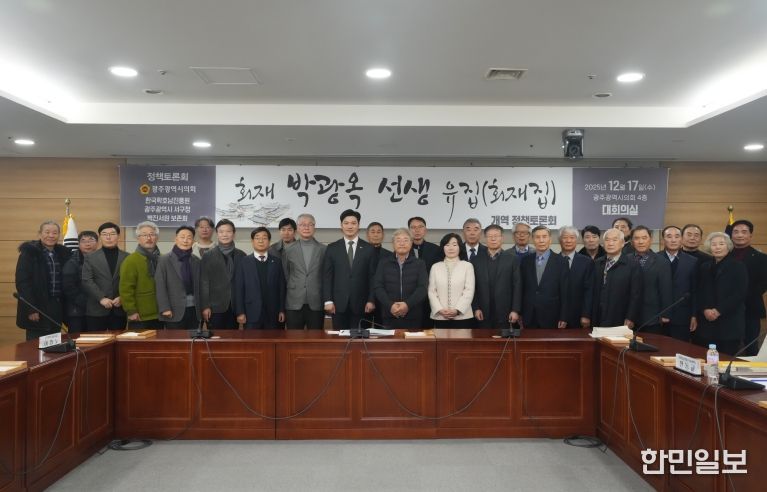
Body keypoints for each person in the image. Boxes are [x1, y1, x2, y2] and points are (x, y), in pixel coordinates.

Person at [15, 220, 72, 340]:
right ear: (40, 234)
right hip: (37, 305)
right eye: (47, 232)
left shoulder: (64, 253)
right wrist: (31, 309)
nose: (51, 235)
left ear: (59, 235)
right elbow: (23, 283)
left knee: (54, 342)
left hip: (57, 305)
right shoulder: (29, 253)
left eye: (55, 233)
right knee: (35, 345)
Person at [322, 209, 377, 331]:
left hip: (362, 305)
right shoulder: (332, 248)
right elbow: (327, 277)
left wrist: (371, 300)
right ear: (341, 225)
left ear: (358, 225)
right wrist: (328, 301)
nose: (350, 226)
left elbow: (373, 277)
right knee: (339, 339)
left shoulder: (369, 249)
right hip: (338, 305)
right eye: (346, 223)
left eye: (353, 223)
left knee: (360, 339)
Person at [695, 232, 747, 355]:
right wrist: (705, 309)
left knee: (725, 358)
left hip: (729, 322)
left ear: (728, 246)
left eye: (721, 244)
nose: (717, 247)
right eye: (714, 244)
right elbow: (699, 291)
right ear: (709, 247)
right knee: (705, 357)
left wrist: (718, 310)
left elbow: (740, 293)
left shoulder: (738, 266)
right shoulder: (704, 267)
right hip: (706, 322)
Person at [373, 228, 428, 329]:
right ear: (393, 244)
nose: (402, 243)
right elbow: (378, 287)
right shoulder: (383, 263)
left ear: (411, 243)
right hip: (389, 314)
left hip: (413, 315)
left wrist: (407, 305)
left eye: (405, 240)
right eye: (398, 240)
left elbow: (422, 288)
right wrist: (390, 305)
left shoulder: (420, 264)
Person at [233, 227, 286, 329]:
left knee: (274, 339)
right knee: (252, 339)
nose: (261, 241)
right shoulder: (243, 262)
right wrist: (240, 312)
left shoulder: (277, 262)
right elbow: (239, 289)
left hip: (273, 314)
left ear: (269, 241)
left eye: (264, 238)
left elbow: (281, 288)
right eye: (257, 238)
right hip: (250, 313)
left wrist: (281, 310)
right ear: (252, 241)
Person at [81, 222, 129, 331]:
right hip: (96, 308)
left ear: (118, 236)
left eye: (112, 234)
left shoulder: (127, 257)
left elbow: (130, 281)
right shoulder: (90, 257)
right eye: (104, 234)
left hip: (119, 308)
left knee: (118, 339)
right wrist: (101, 298)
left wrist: (122, 297)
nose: (108, 237)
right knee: (96, 340)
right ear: (100, 237)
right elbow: (87, 280)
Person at [471, 225, 521, 329]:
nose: (493, 239)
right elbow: (472, 287)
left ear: (502, 238)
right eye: (490, 236)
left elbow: (517, 286)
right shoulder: (476, 260)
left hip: (506, 312)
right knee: (482, 339)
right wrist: (476, 308)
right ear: (485, 238)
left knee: (504, 338)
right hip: (482, 312)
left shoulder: (512, 259)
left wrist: (515, 310)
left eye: (496, 236)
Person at [200, 219, 247, 329]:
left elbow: (245, 284)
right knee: (215, 337)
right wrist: (205, 306)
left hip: (236, 307)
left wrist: (243, 309)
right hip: (214, 307)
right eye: (221, 232)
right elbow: (204, 283)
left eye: (228, 231)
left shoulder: (242, 255)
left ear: (234, 234)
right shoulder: (208, 255)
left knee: (233, 337)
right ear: (217, 234)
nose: (225, 235)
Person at [282, 213, 326, 329]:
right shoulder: (288, 250)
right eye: (302, 224)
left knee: (316, 337)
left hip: (316, 301)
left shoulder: (324, 249)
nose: (306, 227)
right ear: (297, 228)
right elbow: (286, 274)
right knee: (293, 337)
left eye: (310, 224)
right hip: (294, 301)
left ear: (314, 227)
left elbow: (325, 275)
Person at [591, 228, 642, 328]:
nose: (610, 243)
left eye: (614, 240)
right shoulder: (597, 263)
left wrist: (630, 317)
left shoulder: (632, 265)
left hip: (620, 316)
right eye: (607, 240)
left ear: (622, 243)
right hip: (598, 315)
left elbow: (636, 294)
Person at [730, 219, 767, 355]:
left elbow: (762, 284)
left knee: (751, 347)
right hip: (726, 311)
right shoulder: (724, 255)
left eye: (744, 232)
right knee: (728, 347)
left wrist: (738, 298)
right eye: (736, 232)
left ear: (750, 235)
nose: (740, 235)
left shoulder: (762, 258)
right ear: (731, 235)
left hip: (750, 309)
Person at [520, 226, 569, 329]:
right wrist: (520, 313)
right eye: (537, 237)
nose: (541, 240)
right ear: (533, 240)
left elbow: (565, 291)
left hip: (552, 315)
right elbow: (521, 289)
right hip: (529, 315)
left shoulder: (561, 261)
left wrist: (564, 316)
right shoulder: (525, 261)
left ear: (550, 239)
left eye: (544, 236)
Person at [155, 226, 201, 330]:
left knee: (193, 339)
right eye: (182, 237)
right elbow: (160, 286)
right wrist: (165, 308)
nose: (185, 240)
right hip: (173, 310)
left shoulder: (196, 260)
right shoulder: (164, 260)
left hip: (194, 310)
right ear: (175, 239)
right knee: (175, 340)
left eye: (189, 237)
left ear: (193, 241)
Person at [628, 226, 672, 334]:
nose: (640, 242)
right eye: (636, 238)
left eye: (644, 238)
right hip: (627, 315)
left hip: (651, 316)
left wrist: (665, 314)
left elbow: (666, 290)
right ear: (632, 242)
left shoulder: (662, 262)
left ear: (650, 240)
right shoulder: (625, 259)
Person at [120, 221, 162, 329]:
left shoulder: (163, 259)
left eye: (152, 234)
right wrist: (131, 311)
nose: (149, 238)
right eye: (144, 235)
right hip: (139, 316)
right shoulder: (131, 260)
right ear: (138, 238)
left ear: (157, 238)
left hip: (161, 314)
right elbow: (126, 289)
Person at [428, 233, 475, 328]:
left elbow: (469, 291)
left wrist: (457, 310)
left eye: (454, 245)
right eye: (447, 245)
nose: (451, 248)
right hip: (440, 316)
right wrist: (439, 309)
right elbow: (431, 291)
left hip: (462, 317)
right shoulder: (435, 267)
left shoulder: (467, 266)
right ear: (443, 248)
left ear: (459, 247)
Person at [660, 225, 698, 342]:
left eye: (677, 236)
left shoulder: (692, 261)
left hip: (683, 317)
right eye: (669, 236)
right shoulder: (655, 259)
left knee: (681, 349)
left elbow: (695, 290)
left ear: (681, 239)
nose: (673, 240)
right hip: (658, 316)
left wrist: (694, 315)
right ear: (663, 240)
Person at [62, 230, 99, 332]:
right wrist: (86, 302)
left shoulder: (101, 259)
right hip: (77, 311)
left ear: (97, 243)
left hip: (97, 309)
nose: (87, 244)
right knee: (77, 339)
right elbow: (68, 287)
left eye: (91, 240)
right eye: (83, 241)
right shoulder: (72, 262)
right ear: (78, 244)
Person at [559, 226, 593, 329]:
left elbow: (589, 290)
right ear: (560, 240)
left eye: (572, 237)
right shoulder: (553, 261)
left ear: (577, 240)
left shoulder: (587, 262)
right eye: (565, 237)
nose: (568, 241)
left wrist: (586, 314)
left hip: (578, 314)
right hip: (556, 314)